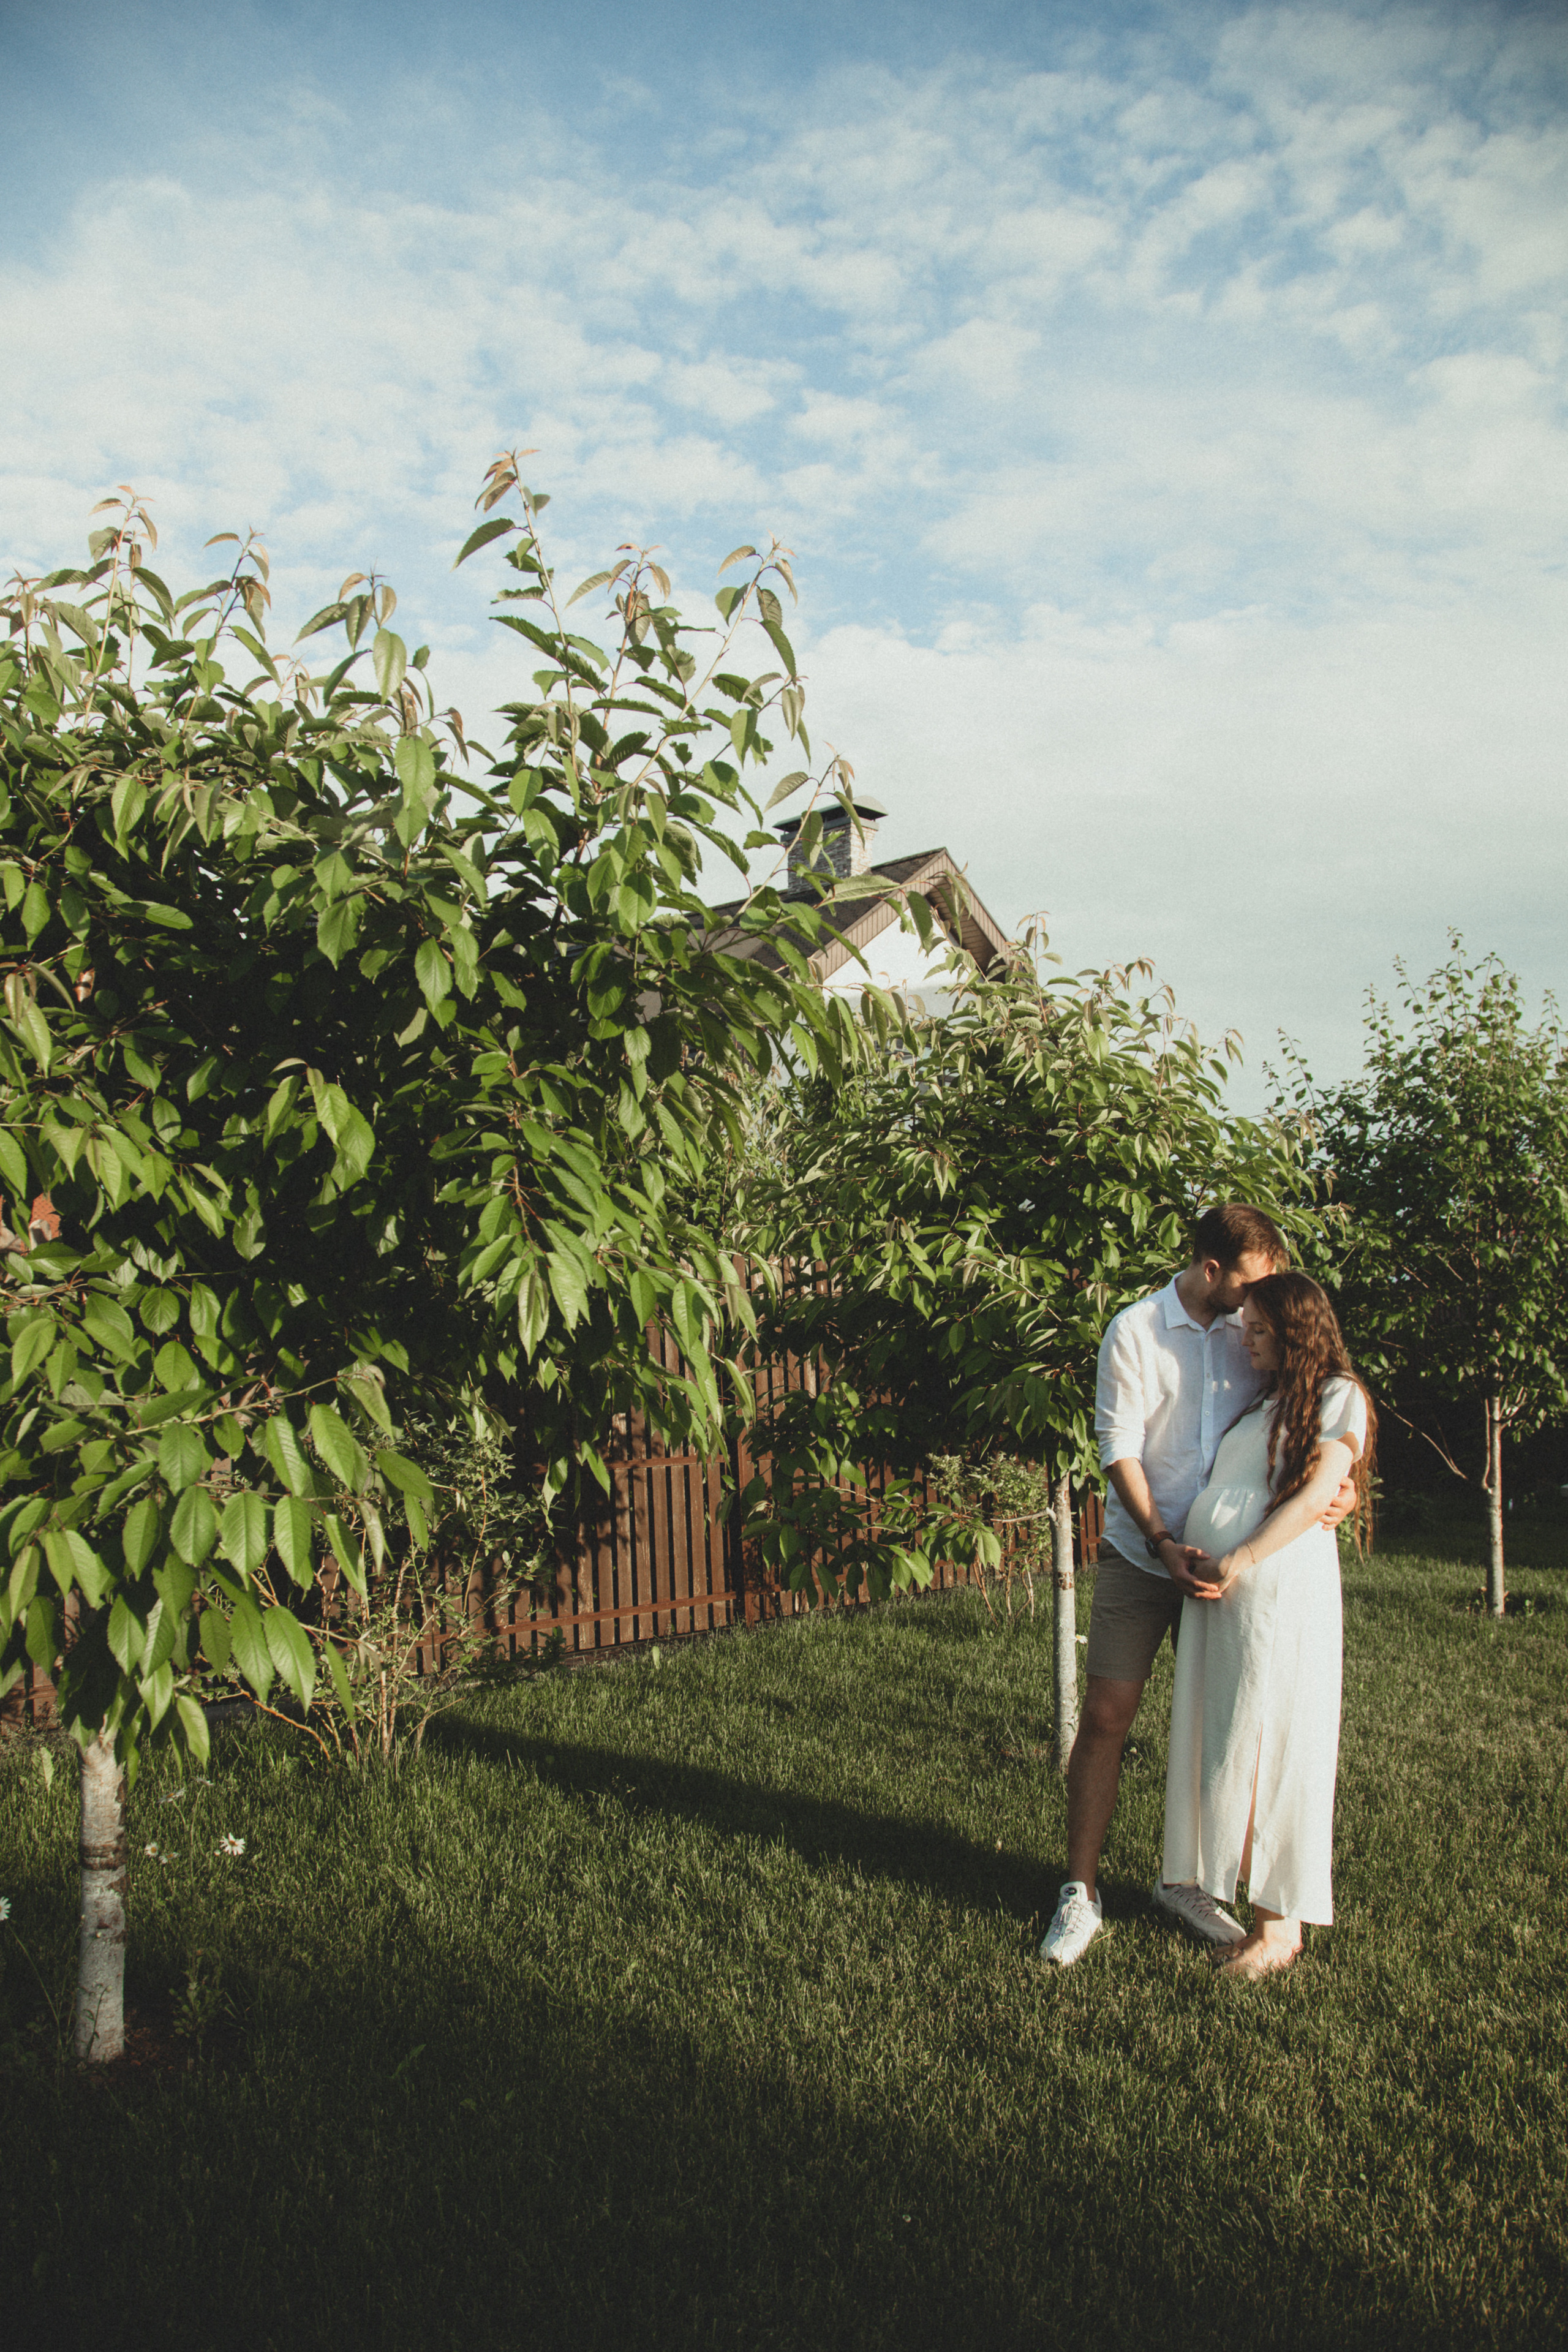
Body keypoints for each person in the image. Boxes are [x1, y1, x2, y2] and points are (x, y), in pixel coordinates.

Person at [1041, 1203, 1354, 1968]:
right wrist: (1161, 1540)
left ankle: (1186, 1881)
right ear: (1212, 1270)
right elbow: (1117, 1447)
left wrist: (1341, 1489)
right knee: (1107, 1715)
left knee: (1225, 1725)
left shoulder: (1259, 1332)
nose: (1260, 1300)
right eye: (1252, 1281)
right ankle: (1079, 1893)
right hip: (1144, 1556)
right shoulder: (1137, 1331)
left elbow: (1307, 1425)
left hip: (1233, 1578)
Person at [1161, 1273, 1375, 1977]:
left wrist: (1241, 1557)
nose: (1245, 1341)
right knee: (1230, 1744)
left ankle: (1279, 1931)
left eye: (1258, 1330)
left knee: (1276, 1746)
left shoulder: (1338, 1393)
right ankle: (1241, 1903)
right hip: (1227, 1598)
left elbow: (1318, 1490)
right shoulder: (1266, 1400)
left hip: (1276, 1592)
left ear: (1294, 1330)